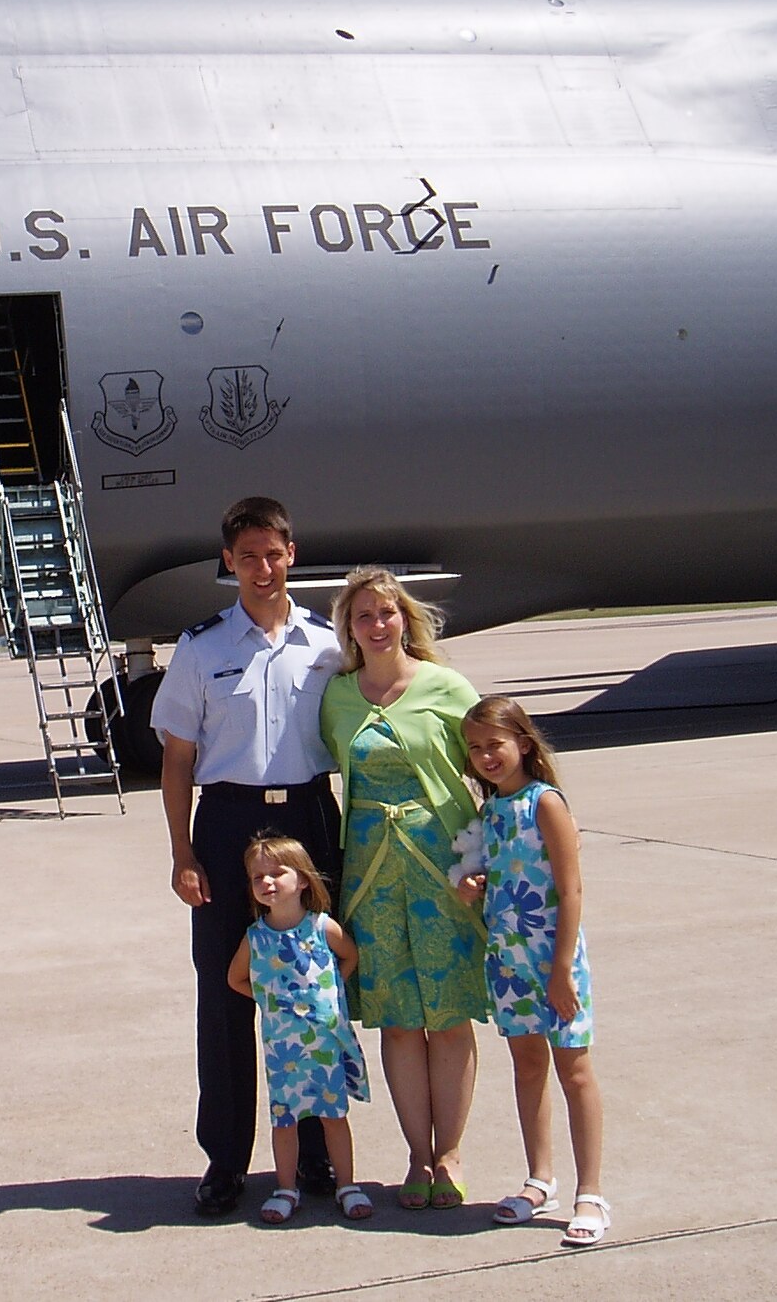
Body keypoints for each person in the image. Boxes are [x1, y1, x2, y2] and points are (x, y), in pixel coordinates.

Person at [152, 496, 347, 1217]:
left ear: (292, 554)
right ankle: (226, 1160)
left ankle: (322, 1155)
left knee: (316, 988)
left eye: (275, 553)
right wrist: (181, 851)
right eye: (248, 556)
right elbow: (177, 760)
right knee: (226, 990)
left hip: (307, 819)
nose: (263, 568)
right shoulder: (202, 648)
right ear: (227, 562)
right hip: (228, 823)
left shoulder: (327, 645)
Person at [319, 567, 489, 1210]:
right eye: (364, 615)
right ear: (351, 629)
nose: (377, 624)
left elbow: (491, 762)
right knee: (396, 1019)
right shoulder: (337, 696)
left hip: (441, 868)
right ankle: (416, 1154)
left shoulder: (445, 687)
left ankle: (449, 1153)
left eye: (387, 612)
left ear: (404, 619)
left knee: (446, 1017)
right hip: (372, 875)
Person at [456, 696, 610, 1247]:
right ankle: (538, 1178)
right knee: (527, 1068)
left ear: (523, 742)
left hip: (554, 961)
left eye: (494, 744)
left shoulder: (544, 803)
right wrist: (470, 887)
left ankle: (590, 1192)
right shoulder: (490, 811)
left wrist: (562, 968)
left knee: (575, 1072)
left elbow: (570, 889)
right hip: (509, 963)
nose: (485, 756)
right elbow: (491, 874)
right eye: (474, 748)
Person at [227, 832, 373, 1223]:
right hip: (282, 1048)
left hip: (324, 1041)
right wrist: (271, 1001)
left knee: (333, 1115)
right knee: (285, 1119)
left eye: (277, 873)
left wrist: (330, 995)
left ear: (304, 879)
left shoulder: (322, 928)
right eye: (258, 878)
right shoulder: (256, 938)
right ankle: (286, 1187)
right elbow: (236, 979)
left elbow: (350, 955)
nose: (267, 883)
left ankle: (347, 1184)